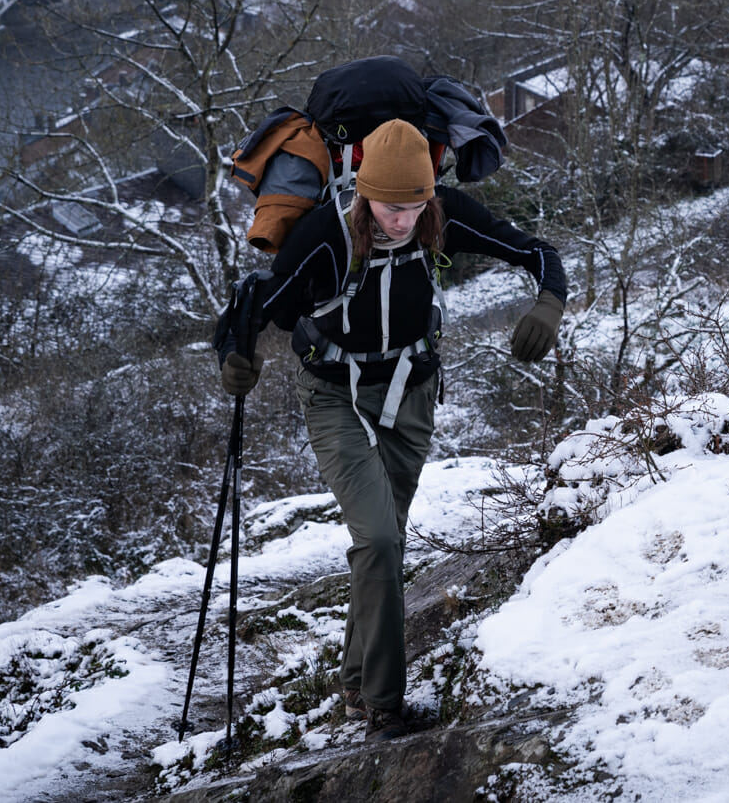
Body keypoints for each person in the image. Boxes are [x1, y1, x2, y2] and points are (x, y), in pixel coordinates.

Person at [213, 119, 566, 739]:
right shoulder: (328, 235)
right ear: (362, 193)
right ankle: (384, 707)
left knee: (386, 545)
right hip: (334, 396)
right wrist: (238, 358)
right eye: (388, 206)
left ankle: (353, 688)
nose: (402, 219)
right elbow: (260, 306)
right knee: (377, 541)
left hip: (412, 392)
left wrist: (548, 301)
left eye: (414, 204)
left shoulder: (442, 214)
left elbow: (536, 251)